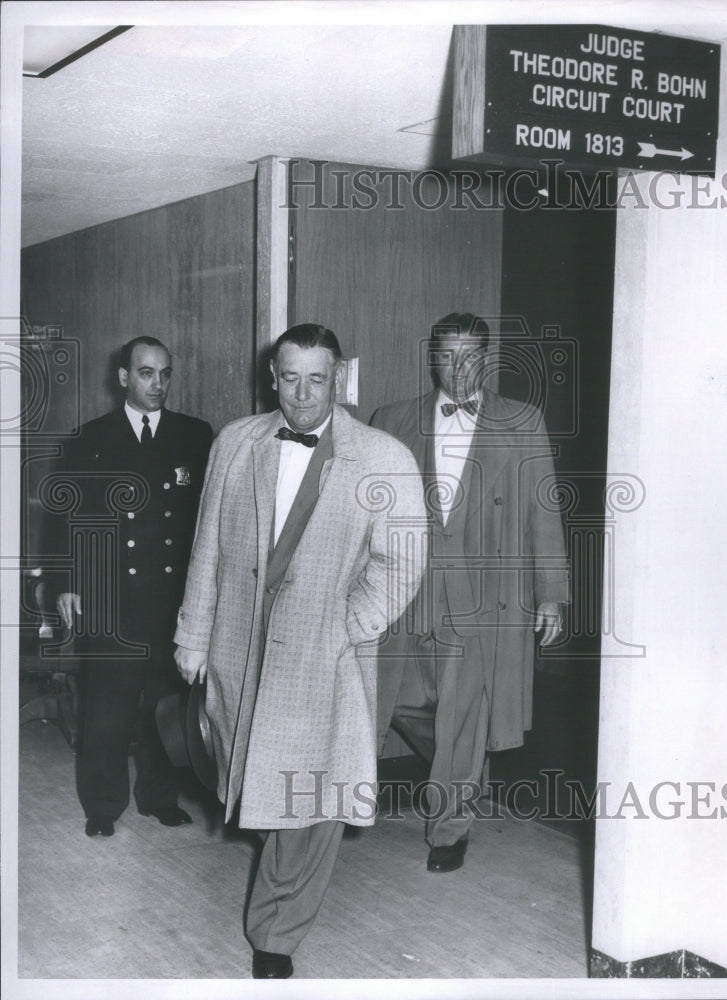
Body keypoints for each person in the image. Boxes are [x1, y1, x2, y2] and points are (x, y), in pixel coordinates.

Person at [173, 323, 426, 980]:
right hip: (237, 649)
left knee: (308, 798)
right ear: (272, 377)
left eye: (318, 379)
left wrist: (348, 626)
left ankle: (274, 931)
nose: (303, 394)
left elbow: (401, 564)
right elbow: (207, 550)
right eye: (290, 378)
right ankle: (278, 890)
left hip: (325, 657)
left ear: (338, 378)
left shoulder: (384, 457)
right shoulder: (236, 442)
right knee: (250, 781)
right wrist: (191, 636)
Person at [371, 312, 570, 873]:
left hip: (484, 596)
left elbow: (543, 510)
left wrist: (550, 593)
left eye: (472, 356)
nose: (459, 370)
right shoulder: (392, 419)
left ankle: (448, 828)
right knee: (401, 702)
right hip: (411, 591)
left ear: (487, 357)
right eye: (448, 356)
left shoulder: (521, 420)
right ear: (431, 357)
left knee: (463, 709)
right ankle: (463, 771)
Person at [54, 336, 213, 838]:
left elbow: (206, 521)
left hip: (171, 595)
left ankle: (160, 796)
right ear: (124, 377)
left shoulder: (194, 435)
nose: (158, 384)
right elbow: (66, 516)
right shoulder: (91, 437)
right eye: (146, 373)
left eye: (165, 373)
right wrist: (66, 582)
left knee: (165, 702)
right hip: (110, 594)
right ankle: (102, 804)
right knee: (108, 706)